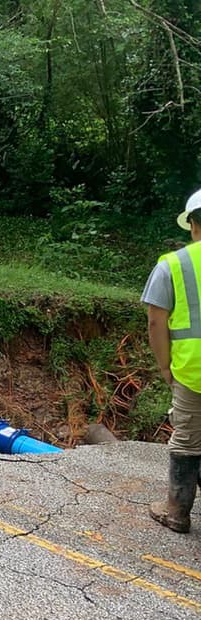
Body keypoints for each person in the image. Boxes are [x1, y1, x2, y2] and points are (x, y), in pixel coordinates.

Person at [141, 188, 201, 533]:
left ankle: (176, 510)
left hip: (194, 369)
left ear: (192, 224)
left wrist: (165, 366)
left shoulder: (173, 265)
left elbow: (155, 321)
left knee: (188, 440)